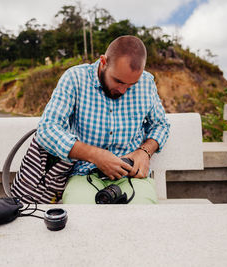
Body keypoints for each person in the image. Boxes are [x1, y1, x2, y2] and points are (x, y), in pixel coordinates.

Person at [35, 35, 170, 204]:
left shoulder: (147, 82)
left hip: (132, 176)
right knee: (82, 217)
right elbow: (47, 130)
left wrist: (145, 151)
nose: (122, 90)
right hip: (85, 174)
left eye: (131, 85)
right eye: (118, 81)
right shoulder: (75, 78)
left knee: (142, 218)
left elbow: (160, 125)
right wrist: (96, 155)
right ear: (103, 62)